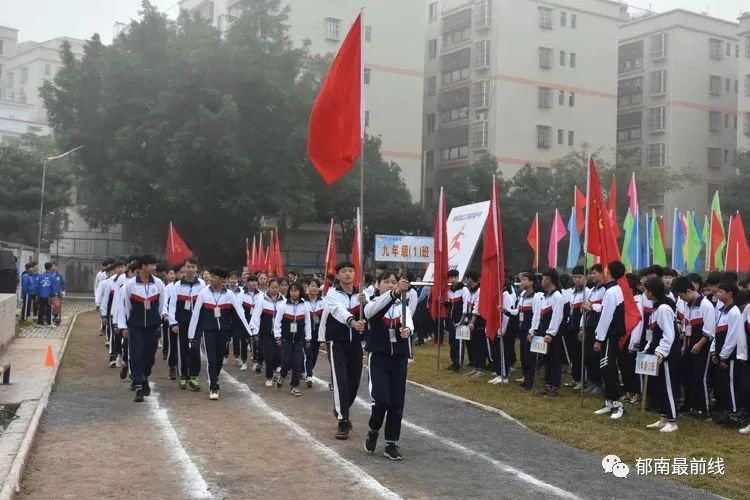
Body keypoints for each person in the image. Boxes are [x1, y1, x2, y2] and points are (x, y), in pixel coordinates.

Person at [363, 271, 413, 461]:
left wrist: (407, 329)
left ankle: (391, 443)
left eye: (394, 282)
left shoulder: (403, 305)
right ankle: (374, 429)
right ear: (378, 285)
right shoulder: (373, 303)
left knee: (396, 402)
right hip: (379, 358)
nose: (391, 285)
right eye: (387, 282)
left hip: (399, 359)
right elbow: (370, 313)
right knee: (382, 400)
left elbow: (409, 322)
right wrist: (394, 293)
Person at [187, 267, 252, 400]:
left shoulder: (229, 295)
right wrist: (191, 335)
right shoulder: (204, 293)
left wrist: (248, 333)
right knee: (211, 358)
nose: (212, 278)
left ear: (222, 280)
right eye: (211, 276)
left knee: (219, 359)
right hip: (208, 331)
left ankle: (214, 377)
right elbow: (196, 315)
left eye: (215, 276)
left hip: (224, 331)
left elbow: (239, 314)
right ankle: (214, 386)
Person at [321, 261, 368, 440]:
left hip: (355, 344)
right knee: (341, 380)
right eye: (344, 271)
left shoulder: (362, 295)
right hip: (337, 342)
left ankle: (341, 408)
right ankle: (343, 420)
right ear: (338, 275)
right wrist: (353, 322)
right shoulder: (332, 295)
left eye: (350, 271)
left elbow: (370, 311)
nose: (348, 274)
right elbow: (339, 311)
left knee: (354, 381)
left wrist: (367, 305)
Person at [116, 255, 166, 402]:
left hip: (152, 326)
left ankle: (144, 377)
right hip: (135, 326)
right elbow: (125, 306)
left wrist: (158, 323)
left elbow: (161, 305)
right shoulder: (130, 285)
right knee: (136, 354)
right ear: (144, 266)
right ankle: (138, 385)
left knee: (149, 357)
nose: (155, 268)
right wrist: (124, 325)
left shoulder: (158, 284)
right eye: (152, 265)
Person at [642, 276, 680, 432]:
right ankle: (664, 417)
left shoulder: (664, 309)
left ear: (651, 292)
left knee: (669, 387)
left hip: (667, 356)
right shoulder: (656, 308)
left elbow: (668, 335)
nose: (644, 293)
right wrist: (647, 348)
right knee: (660, 387)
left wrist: (660, 353)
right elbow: (653, 333)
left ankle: (673, 421)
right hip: (657, 353)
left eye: (645, 290)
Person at [674, 276, 715, 418]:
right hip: (690, 347)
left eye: (682, 296)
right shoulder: (687, 306)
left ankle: (704, 409)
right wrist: (685, 345)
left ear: (689, 291)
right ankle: (690, 405)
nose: (682, 299)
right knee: (687, 377)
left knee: (700, 378)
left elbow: (710, 330)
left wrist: (699, 344)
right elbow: (686, 327)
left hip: (703, 347)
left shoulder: (706, 305)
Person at [592, 261, 627, 419]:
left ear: (610, 271)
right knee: (604, 368)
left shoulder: (613, 291)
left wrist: (599, 338)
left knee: (608, 369)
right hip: (609, 334)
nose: (604, 270)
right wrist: (593, 307)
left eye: (606, 269)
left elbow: (607, 317)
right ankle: (609, 401)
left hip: (609, 336)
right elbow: (606, 309)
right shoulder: (613, 290)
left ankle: (618, 404)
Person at [710, 281, 748, 425]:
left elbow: (732, 337)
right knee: (724, 383)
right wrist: (714, 351)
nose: (717, 293)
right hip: (721, 354)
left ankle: (735, 413)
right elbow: (717, 332)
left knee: (731, 384)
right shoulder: (722, 311)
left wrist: (724, 355)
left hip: (730, 356)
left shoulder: (734, 312)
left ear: (730, 294)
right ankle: (728, 410)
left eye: (721, 291)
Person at [168, 258, 204, 390]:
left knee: (195, 349)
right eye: (188, 266)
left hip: (197, 324)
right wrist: (173, 323)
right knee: (183, 350)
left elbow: (205, 304)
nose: (190, 269)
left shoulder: (201, 284)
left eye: (193, 267)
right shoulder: (177, 286)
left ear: (196, 269)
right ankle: (183, 376)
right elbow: (172, 306)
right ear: (184, 268)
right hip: (182, 323)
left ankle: (194, 376)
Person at [528, 269, 565, 398]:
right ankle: (548, 385)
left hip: (552, 335)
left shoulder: (557, 297)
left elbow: (557, 317)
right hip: (544, 333)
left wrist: (551, 333)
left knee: (554, 360)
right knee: (546, 360)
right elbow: (540, 315)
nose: (542, 281)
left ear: (549, 279)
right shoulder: (546, 296)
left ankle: (554, 388)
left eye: (544, 278)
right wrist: (534, 330)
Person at [503, 272, 543, 390]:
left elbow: (537, 315)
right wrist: (506, 311)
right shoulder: (522, 295)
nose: (522, 282)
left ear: (531, 282)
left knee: (530, 357)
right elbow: (517, 311)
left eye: (525, 280)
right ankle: (526, 378)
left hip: (529, 330)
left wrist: (533, 330)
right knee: (524, 357)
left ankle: (531, 380)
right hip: (522, 329)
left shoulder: (536, 296)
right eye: (522, 280)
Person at [274, 282, 311, 396]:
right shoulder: (283, 305)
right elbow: (277, 322)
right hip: (286, 339)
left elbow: (307, 323)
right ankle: (282, 375)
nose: (293, 293)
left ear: (300, 292)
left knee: (297, 363)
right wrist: (278, 336)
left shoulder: (305, 305)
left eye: (296, 290)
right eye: (292, 290)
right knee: (286, 362)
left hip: (299, 339)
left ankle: (294, 386)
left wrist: (308, 338)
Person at [249, 278, 285, 387]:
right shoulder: (261, 300)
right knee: (268, 355)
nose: (274, 290)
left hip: (279, 334)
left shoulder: (283, 300)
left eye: (276, 287)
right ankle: (269, 376)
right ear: (268, 288)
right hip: (266, 334)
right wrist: (254, 331)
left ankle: (275, 371)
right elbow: (256, 316)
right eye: (272, 287)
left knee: (278, 356)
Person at [581, 264, 606, 395]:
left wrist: (592, 306)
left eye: (595, 273)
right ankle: (591, 381)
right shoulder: (593, 290)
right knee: (589, 356)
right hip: (589, 325)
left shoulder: (606, 290)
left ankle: (598, 383)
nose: (592, 276)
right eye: (591, 273)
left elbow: (604, 309)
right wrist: (582, 327)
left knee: (596, 357)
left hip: (598, 327)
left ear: (602, 274)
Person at [563, 266, 586, 390]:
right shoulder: (572, 293)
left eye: (579, 277)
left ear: (585, 278)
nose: (577, 280)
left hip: (580, 329)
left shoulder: (587, 293)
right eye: (575, 277)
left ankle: (582, 379)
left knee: (580, 355)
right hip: (570, 328)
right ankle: (575, 377)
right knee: (573, 355)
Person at [445, 269, 471, 372]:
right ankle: (454, 362)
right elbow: (449, 306)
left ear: (457, 277)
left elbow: (466, 306)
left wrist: (461, 320)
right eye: (450, 278)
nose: (452, 280)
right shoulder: (450, 291)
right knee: (452, 343)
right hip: (451, 321)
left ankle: (459, 364)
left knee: (459, 344)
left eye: (454, 277)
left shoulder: (464, 290)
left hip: (461, 321)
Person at [236, 274, 260, 371]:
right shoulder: (242, 294)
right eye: (251, 281)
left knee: (255, 342)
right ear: (247, 283)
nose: (254, 283)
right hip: (245, 321)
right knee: (244, 342)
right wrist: (244, 321)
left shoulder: (260, 295)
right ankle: (244, 362)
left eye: (255, 281)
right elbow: (239, 308)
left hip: (256, 322)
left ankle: (255, 362)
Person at [304, 278, 325, 386]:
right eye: (312, 285)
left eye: (316, 286)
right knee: (309, 354)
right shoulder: (303, 301)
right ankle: (309, 375)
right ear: (307, 287)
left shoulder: (323, 302)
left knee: (314, 354)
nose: (314, 288)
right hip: (305, 333)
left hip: (317, 333)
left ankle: (307, 371)